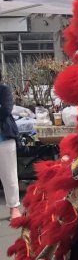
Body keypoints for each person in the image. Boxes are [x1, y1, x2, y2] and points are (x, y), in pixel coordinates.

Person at [0, 74, 21, 220]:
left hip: (4, 139)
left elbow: (6, 110)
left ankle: (14, 207)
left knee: (9, 175)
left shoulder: (4, 90)